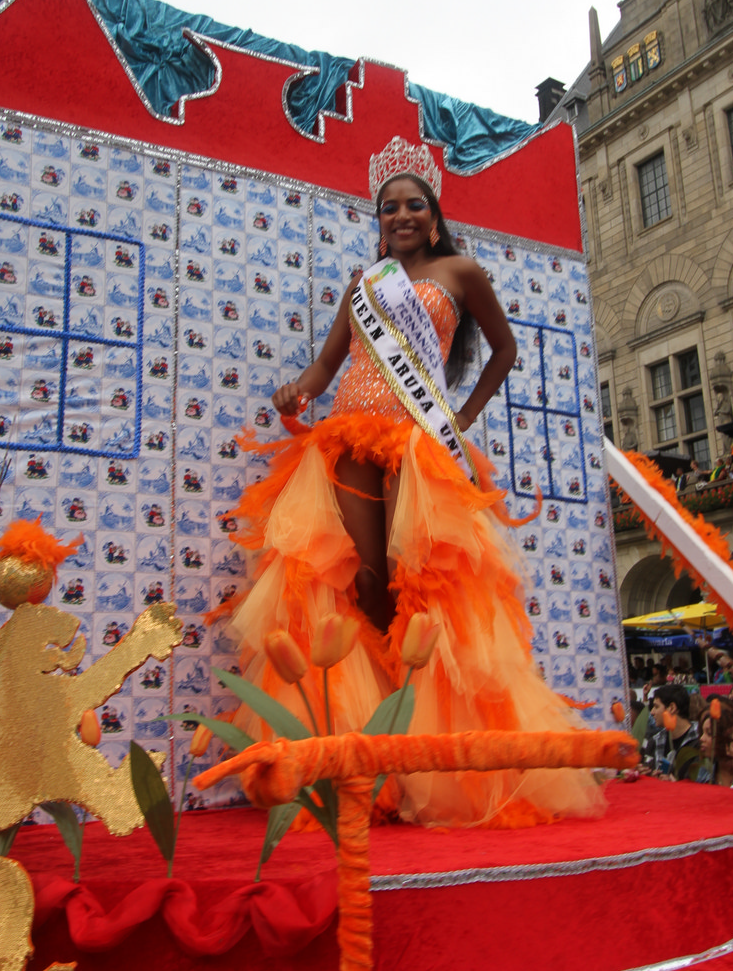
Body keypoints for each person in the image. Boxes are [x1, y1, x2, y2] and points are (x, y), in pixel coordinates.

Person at [211, 137, 607, 828]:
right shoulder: (364, 285)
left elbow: (505, 349)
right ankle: (370, 750)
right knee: (362, 582)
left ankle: (431, 752)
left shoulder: (461, 271)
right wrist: (297, 390)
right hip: (346, 437)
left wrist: (465, 414)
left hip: (419, 444)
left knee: (417, 583)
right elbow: (325, 366)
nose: (400, 215)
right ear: (379, 220)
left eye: (413, 205)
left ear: (433, 215)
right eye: (388, 207)